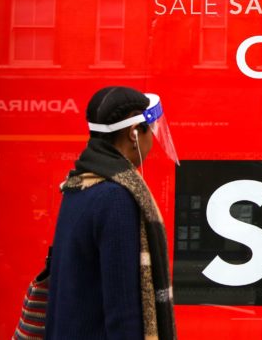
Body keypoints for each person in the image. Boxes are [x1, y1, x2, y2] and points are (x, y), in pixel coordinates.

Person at [45, 86, 179, 339]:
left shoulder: (79, 184)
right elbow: (124, 308)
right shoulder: (115, 197)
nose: (152, 141)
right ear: (133, 134)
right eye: (150, 130)